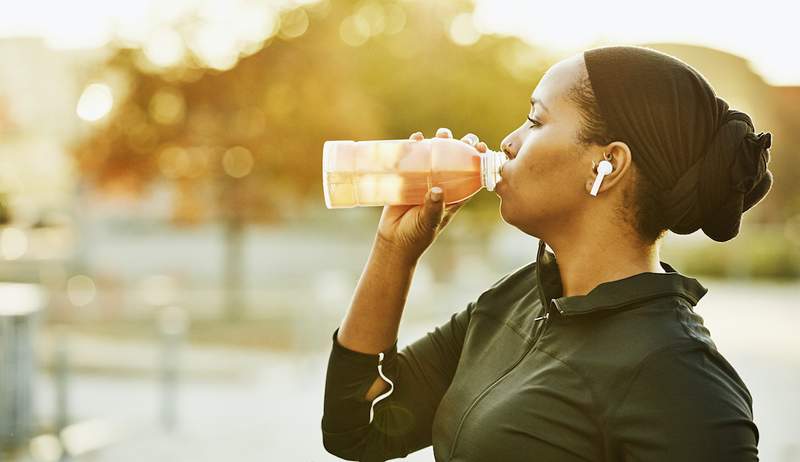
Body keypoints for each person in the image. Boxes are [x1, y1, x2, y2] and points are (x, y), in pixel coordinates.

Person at [321, 46, 771, 461]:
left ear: (607, 165)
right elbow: (357, 429)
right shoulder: (514, 302)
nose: (508, 142)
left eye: (535, 121)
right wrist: (395, 249)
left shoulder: (679, 376)